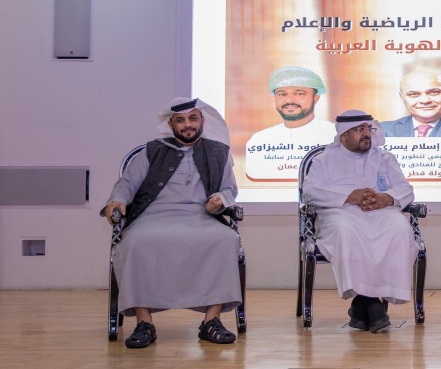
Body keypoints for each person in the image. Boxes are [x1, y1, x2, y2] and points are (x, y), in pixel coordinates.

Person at [102, 98, 242, 349]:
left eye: (192, 119)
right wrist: (117, 202)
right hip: (152, 215)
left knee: (226, 239)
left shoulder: (218, 152)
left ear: (202, 121)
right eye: (180, 120)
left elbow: (229, 189)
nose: (187, 125)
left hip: (199, 216)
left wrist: (219, 200)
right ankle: (144, 323)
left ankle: (212, 321)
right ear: (171, 124)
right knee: (135, 241)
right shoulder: (153, 150)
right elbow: (126, 184)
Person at [301, 110, 419, 333]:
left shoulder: (384, 158)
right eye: (359, 129)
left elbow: (405, 189)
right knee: (347, 231)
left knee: (399, 229)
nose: (366, 134)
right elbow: (311, 191)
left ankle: (363, 305)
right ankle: (373, 305)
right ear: (343, 135)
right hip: (341, 212)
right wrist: (349, 196)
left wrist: (387, 198)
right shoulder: (324, 160)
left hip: (381, 212)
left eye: (368, 129)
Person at [244, 66, 336, 180]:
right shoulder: (260, 139)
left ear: (316, 98)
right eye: (282, 94)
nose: (289, 100)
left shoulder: (336, 135)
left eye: (299, 94)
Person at [381, 69, 441, 137]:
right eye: (413, 94)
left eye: (433, 92)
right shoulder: (381, 131)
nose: (425, 101)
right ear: (402, 97)